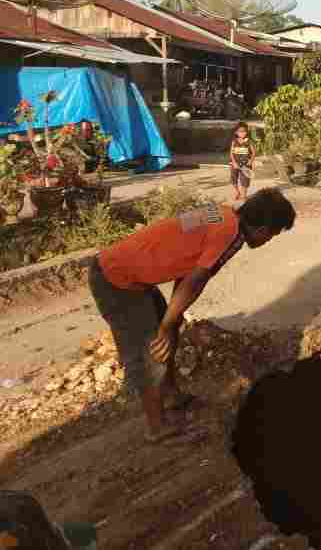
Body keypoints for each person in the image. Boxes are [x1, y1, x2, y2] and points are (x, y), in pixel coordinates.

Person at [89, 188, 296, 445]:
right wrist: (165, 325)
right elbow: (195, 280)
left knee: (169, 327)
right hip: (117, 280)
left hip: (124, 271)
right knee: (152, 351)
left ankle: (171, 396)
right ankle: (157, 428)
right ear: (263, 229)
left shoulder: (222, 215)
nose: (269, 240)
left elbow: (188, 269)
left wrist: (171, 320)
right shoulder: (231, 235)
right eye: (273, 235)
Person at [228, 121, 255, 201]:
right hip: (234, 164)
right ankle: (237, 192)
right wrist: (234, 163)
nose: (242, 133)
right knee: (233, 181)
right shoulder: (234, 141)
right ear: (236, 132)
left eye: (244, 131)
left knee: (245, 181)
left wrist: (250, 161)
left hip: (246, 165)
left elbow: (254, 152)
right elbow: (231, 153)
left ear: (247, 132)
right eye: (240, 131)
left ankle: (243, 195)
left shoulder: (249, 141)